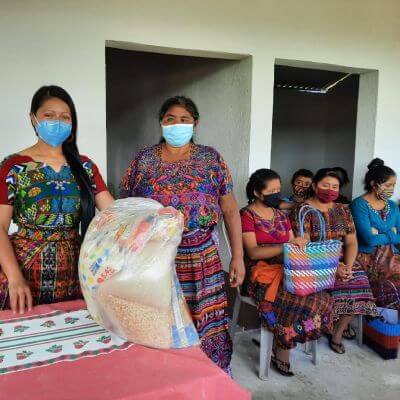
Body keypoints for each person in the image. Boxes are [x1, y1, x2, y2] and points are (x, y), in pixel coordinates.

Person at [119, 96, 245, 373]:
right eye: (170, 119)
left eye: (185, 119)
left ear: (195, 123)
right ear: (161, 123)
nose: (177, 124)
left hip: (202, 256)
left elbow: (230, 209)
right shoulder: (144, 160)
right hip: (155, 258)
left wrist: (238, 256)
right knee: (158, 319)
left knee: (205, 321)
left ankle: (208, 376)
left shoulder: (211, 159)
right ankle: (165, 378)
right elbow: (126, 208)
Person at [0, 85, 114, 314]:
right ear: (33, 119)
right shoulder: (14, 167)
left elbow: (115, 214)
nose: (57, 122)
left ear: (72, 123)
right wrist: (14, 277)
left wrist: (151, 219)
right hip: (25, 271)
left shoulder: (85, 167)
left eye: (65, 117)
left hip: (75, 272)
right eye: (48, 115)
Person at [240, 169, 332, 376]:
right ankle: (282, 352)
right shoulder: (247, 215)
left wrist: (301, 244)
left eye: (278, 190)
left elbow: (292, 243)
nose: (276, 194)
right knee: (297, 301)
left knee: (321, 298)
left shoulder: (281, 215)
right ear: (257, 192)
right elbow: (253, 253)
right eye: (271, 191)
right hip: (258, 274)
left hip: (287, 269)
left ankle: (281, 342)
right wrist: (288, 247)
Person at [290, 169, 378, 354]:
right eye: (325, 185)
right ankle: (328, 326)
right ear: (315, 186)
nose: (330, 190)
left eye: (334, 187)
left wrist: (347, 264)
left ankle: (337, 332)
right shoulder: (303, 211)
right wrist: (334, 265)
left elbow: (351, 241)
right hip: (315, 263)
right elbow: (305, 246)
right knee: (340, 290)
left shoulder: (342, 210)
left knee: (360, 286)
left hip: (342, 262)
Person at [351, 158, 400, 310]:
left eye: (393, 185)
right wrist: (391, 233)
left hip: (391, 257)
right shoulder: (359, 204)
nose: (391, 189)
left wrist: (380, 233)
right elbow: (369, 240)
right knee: (391, 289)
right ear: (374, 184)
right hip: (367, 260)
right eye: (388, 185)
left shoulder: (392, 205)